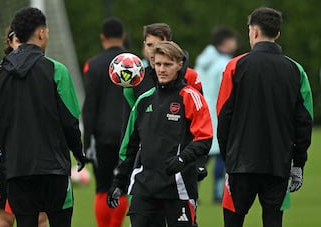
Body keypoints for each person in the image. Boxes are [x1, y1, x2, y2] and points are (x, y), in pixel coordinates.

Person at [0, 7, 86, 227]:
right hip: (54, 168)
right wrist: (79, 153)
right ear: (41, 33)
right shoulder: (56, 70)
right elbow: (70, 120)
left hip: (16, 169)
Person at [217, 7, 313, 227]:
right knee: (273, 221)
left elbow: (223, 115)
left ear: (254, 31)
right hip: (277, 163)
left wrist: (227, 155)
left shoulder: (235, 66)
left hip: (240, 162)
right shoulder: (295, 70)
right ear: (277, 34)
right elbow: (304, 121)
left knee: (233, 221)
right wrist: (298, 163)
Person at [107, 41, 213, 227]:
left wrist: (182, 159)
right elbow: (131, 148)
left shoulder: (190, 97)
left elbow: (204, 139)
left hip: (178, 188)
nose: (162, 69)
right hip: (144, 188)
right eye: (158, 64)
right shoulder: (143, 100)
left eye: (168, 64)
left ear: (180, 65)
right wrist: (119, 182)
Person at [122, 23, 207, 183]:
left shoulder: (191, 78)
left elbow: (199, 124)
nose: (152, 51)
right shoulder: (136, 79)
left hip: (178, 161)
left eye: (158, 45)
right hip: (144, 162)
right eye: (149, 45)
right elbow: (130, 125)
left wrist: (199, 161)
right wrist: (124, 164)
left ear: (170, 44)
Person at [0, 28, 48, 227]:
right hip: (7, 159)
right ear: (10, 42)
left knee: (40, 217)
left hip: (39, 157)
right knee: (5, 218)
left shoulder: (44, 71)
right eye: (18, 40)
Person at [82, 17, 128, 227]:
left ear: (102, 38)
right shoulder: (133, 63)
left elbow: (89, 105)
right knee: (122, 185)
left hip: (101, 135)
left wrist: (86, 139)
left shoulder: (93, 65)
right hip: (128, 135)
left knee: (102, 187)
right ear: (123, 37)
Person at [194, 27, 238, 203]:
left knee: (200, 156)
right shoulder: (224, 64)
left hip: (201, 113)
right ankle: (218, 193)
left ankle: (191, 190)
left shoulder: (202, 60)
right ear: (226, 42)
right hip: (219, 113)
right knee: (221, 154)